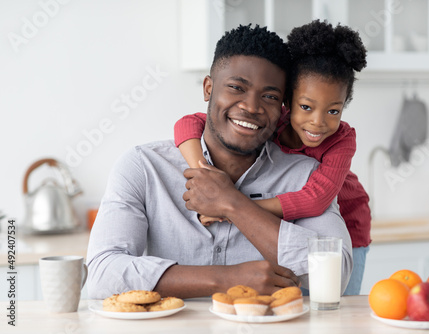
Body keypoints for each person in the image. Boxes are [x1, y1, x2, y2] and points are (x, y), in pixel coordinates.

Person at [86, 24, 352, 299]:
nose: (251, 106)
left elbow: (335, 277)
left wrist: (233, 204)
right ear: (208, 88)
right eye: (237, 87)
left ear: (282, 106)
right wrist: (224, 279)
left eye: (270, 96)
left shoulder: (305, 176)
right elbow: (101, 275)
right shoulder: (143, 167)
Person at [174, 20, 370, 295]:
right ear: (287, 104)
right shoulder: (271, 120)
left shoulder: (342, 140)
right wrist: (206, 179)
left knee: (334, 300)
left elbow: (316, 199)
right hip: (290, 216)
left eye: (333, 111)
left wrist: (231, 205)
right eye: (306, 107)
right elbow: (188, 123)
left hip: (346, 219)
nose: (317, 122)